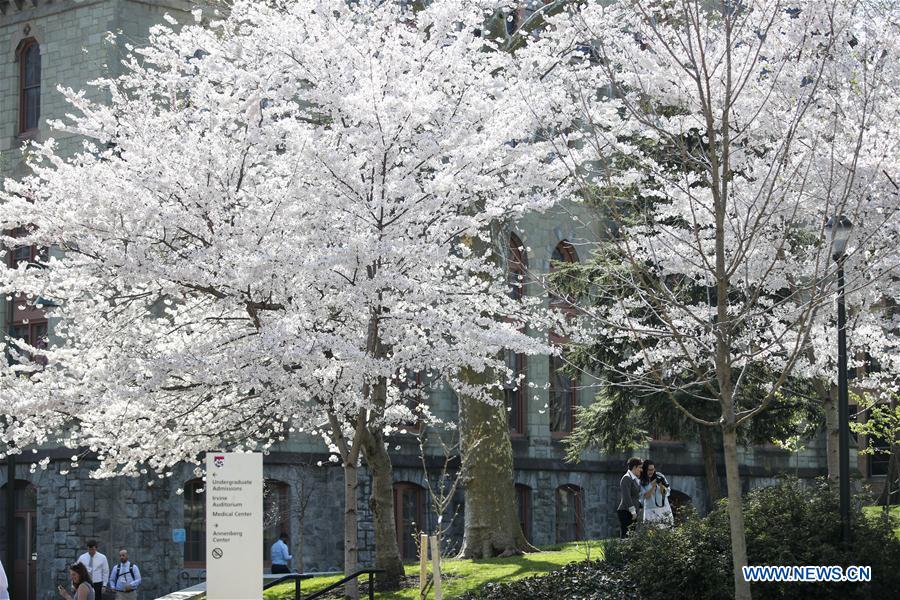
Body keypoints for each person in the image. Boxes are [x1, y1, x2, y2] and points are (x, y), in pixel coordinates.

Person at [640, 459, 674, 527]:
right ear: (644, 469)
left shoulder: (659, 476)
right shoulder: (641, 480)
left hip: (664, 508)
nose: (651, 472)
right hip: (650, 510)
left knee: (666, 532)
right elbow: (645, 496)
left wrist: (661, 485)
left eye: (652, 469)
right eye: (649, 470)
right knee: (651, 533)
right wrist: (652, 486)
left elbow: (667, 493)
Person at [616, 457, 643, 538]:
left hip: (632, 513)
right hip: (625, 512)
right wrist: (633, 512)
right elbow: (626, 496)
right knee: (626, 536)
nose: (641, 470)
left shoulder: (634, 479)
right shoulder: (626, 478)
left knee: (631, 537)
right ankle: (622, 551)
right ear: (634, 467)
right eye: (640, 467)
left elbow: (636, 496)